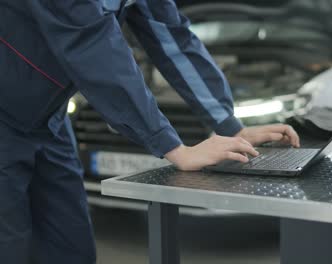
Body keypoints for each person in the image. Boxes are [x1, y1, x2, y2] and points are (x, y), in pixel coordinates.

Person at [0, 0, 300, 263]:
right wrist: (174, 147)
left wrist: (231, 125)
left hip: (47, 119)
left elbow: (171, 38)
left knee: (71, 247)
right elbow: (94, 48)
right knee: (9, 246)